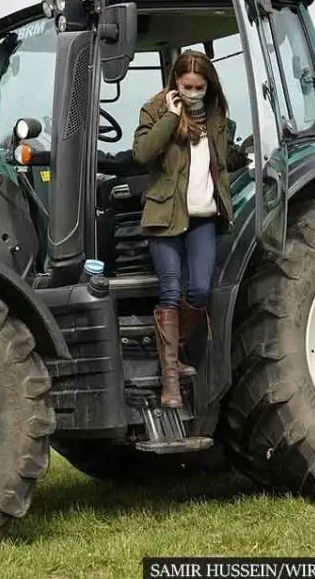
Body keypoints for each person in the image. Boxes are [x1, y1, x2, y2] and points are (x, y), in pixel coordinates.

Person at [131, 50, 239, 409]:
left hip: (202, 218)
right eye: (186, 85)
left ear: (209, 86)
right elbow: (142, 153)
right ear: (175, 81)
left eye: (199, 86)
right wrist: (171, 117)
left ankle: (172, 352)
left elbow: (221, 162)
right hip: (165, 216)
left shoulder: (216, 117)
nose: (192, 91)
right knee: (171, 291)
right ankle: (171, 384)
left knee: (200, 290)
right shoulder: (155, 109)